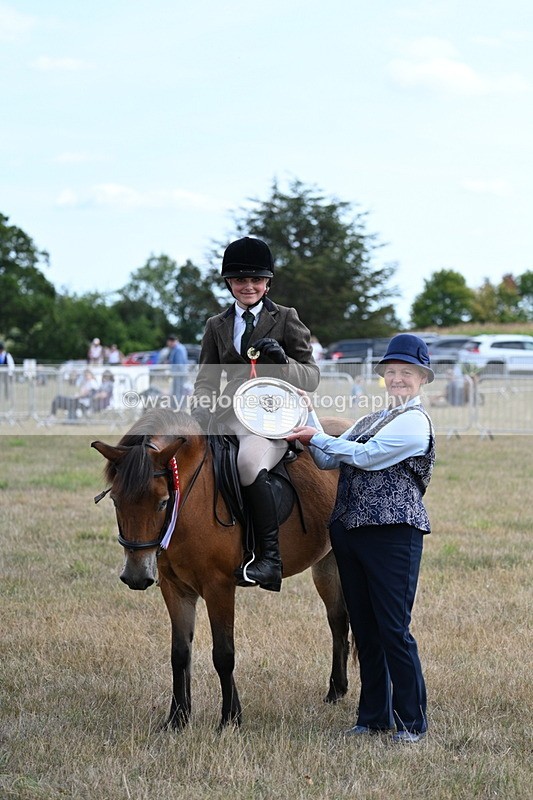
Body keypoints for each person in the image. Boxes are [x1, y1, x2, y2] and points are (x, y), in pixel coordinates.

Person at [287, 334, 436, 743]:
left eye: (406, 372)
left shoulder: (414, 422)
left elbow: (366, 457)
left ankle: (411, 722)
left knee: (393, 630)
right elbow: (326, 457)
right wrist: (309, 414)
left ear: (423, 377)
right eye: (391, 372)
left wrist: (316, 437)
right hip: (350, 532)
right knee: (366, 631)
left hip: (393, 533)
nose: (398, 379)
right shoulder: (372, 419)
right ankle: (373, 718)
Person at [190, 236, 319, 592]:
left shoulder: (286, 318)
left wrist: (283, 361)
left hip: (272, 418)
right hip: (227, 417)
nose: (248, 286)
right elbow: (205, 380)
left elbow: (312, 376)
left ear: (268, 282)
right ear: (229, 283)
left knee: (248, 463)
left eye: (256, 280)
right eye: (240, 280)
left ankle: (269, 560)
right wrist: (200, 411)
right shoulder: (216, 325)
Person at [165, 334, 188, 403]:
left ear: (171, 341)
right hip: (180, 373)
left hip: (178, 373)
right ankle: (178, 405)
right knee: (179, 390)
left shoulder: (178, 349)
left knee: (178, 391)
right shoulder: (180, 347)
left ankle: (178, 406)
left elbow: (179, 364)